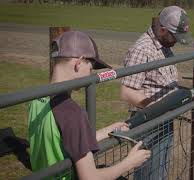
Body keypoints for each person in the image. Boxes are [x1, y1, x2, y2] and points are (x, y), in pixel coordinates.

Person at [28, 31, 151, 180]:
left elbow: (63, 139)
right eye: (91, 68)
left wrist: (106, 131)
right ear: (79, 63)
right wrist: (130, 162)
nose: (90, 74)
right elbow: (90, 177)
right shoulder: (73, 113)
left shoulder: (37, 98)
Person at [120, 6, 192, 180]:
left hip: (163, 120)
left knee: (160, 173)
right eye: (174, 36)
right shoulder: (142, 50)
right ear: (162, 29)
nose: (176, 41)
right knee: (149, 175)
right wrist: (157, 108)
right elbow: (127, 92)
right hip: (149, 125)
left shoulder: (164, 45)